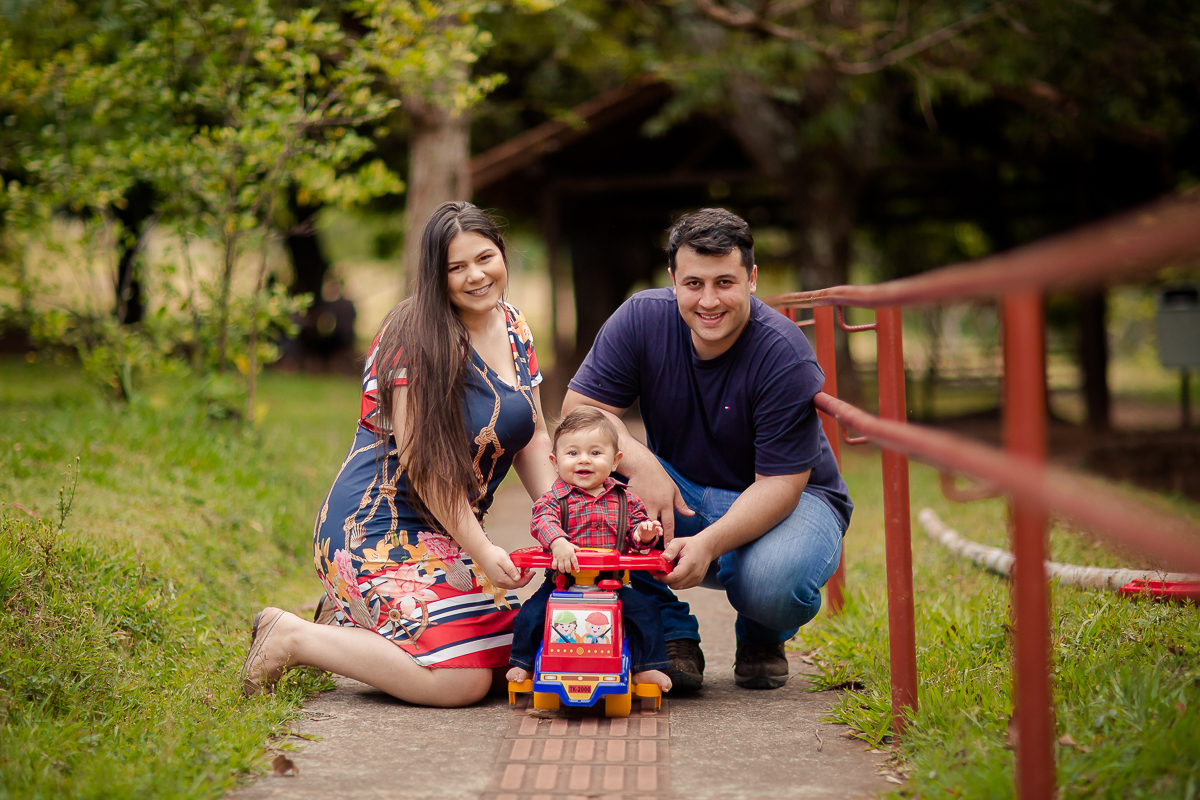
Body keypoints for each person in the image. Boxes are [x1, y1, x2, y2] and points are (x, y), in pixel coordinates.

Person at [240, 202, 556, 707]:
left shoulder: (514, 325)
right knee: (462, 682)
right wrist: (483, 550)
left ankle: (353, 622)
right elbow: (424, 469)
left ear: (502, 253)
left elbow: (534, 434)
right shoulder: (413, 335)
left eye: (485, 257)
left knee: (519, 655)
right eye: (456, 267)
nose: (476, 276)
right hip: (375, 528)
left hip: (443, 533)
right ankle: (292, 636)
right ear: (436, 274)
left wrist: (557, 522)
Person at [562, 208, 853, 692]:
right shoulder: (640, 318)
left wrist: (711, 544)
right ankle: (670, 631)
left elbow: (781, 484)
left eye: (725, 282)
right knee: (584, 472)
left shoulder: (783, 352)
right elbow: (581, 414)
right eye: (694, 283)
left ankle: (763, 629)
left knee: (770, 584)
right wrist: (641, 463)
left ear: (752, 279)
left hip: (793, 500)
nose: (709, 300)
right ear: (673, 279)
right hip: (685, 491)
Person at [505, 407, 672, 692]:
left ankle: (646, 667)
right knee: (530, 614)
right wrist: (557, 542)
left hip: (610, 584)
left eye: (595, 453)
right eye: (573, 454)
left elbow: (635, 535)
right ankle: (522, 662)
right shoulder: (553, 500)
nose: (584, 460)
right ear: (554, 462)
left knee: (647, 611)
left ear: (615, 460)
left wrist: (644, 535)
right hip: (562, 583)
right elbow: (541, 520)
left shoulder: (627, 500)